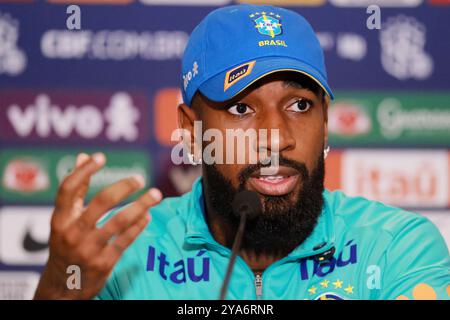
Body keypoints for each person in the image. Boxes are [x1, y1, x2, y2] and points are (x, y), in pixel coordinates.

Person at [34, 4, 450, 300]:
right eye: (240, 108)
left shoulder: (396, 249)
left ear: (325, 123)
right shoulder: (122, 255)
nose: (274, 136)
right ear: (190, 131)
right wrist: (59, 288)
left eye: (300, 105)